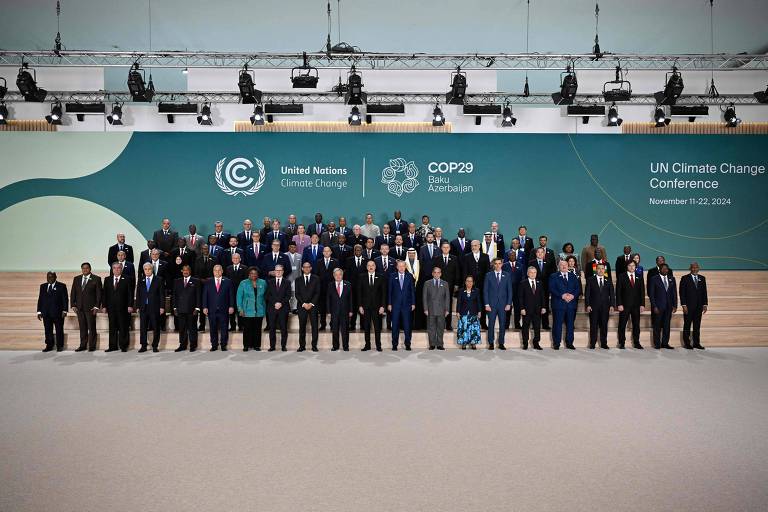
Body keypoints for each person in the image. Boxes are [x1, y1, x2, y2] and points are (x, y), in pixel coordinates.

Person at [549, 260, 581, 350]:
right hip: (558, 304)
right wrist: (562, 295)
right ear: (558, 266)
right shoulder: (553, 276)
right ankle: (556, 343)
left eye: (565, 265)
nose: (564, 266)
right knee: (557, 324)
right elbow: (551, 288)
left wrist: (573, 295)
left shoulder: (573, 276)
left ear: (568, 266)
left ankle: (569, 343)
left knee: (570, 324)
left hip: (571, 304)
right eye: (561, 265)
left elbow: (577, 288)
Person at [202, 265, 235, 351]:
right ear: (213, 272)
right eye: (215, 271)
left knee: (224, 328)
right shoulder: (208, 281)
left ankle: (223, 345)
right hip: (211, 309)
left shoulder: (228, 281)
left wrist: (231, 306)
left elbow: (231, 295)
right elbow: (205, 295)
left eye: (219, 270)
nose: (217, 272)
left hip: (224, 309)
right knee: (212, 328)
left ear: (222, 271)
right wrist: (205, 306)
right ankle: (214, 345)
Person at [70, 262, 102, 352]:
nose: (85, 270)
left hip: (91, 308)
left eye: (87, 268)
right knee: (82, 327)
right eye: (83, 268)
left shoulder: (96, 279)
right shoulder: (76, 279)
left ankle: (92, 346)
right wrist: (73, 304)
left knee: (91, 327)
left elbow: (99, 294)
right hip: (79, 308)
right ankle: (83, 345)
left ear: (90, 268)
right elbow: (73, 292)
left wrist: (96, 306)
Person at [102, 262, 133, 352]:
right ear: (112, 269)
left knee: (123, 327)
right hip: (111, 308)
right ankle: (112, 346)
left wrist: (130, 305)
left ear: (121, 268)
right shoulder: (107, 279)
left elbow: (130, 294)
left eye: (118, 268)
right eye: (114, 268)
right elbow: (104, 294)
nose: (116, 270)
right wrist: (104, 306)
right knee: (112, 327)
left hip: (123, 308)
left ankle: (123, 346)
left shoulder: (127, 279)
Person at [483, 257, 513, 350]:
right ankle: (491, 343)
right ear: (493, 265)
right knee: (491, 324)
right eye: (495, 263)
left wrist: (509, 303)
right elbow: (485, 291)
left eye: (499, 263)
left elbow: (510, 291)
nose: (497, 265)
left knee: (502, 324)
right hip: (491, 305)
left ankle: (501, 343)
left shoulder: (507, 275)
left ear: (502, 264)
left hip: (503, 305)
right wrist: (486, 304)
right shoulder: (488, 275)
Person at [135, 262, 165, 352]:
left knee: (156, 327)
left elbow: (161, 295)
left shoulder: (158, 279)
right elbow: (138, 294)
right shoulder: (141, 279)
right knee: (143, 327)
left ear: (152, 270)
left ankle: (155, 345)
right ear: (143, 270)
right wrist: (137, 306)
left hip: (155, 307)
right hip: (143, 307)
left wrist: (162, 307)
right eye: (145, 269)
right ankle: (143, 345)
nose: (147, 271)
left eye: (149, 269)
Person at [615, 260, 645, 349]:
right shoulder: (621, 276)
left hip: (636, 306)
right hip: (624, 305)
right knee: (622, 325)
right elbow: (618, 291)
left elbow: (642, 292)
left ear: (636, 267)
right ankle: (621, 342)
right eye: (630, 266)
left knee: (636, 325)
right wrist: (619, 304)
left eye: (633, 265)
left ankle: (636, 342)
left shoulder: (639, 277)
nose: (632, 267)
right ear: (627, 267)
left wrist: (642, 304)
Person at [357, 260, 386, 351]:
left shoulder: (381, 277)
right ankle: (367, 345)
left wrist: (382, 306)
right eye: (369, 265)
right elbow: (359, 293)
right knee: (366, 327)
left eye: (372, 265)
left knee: (377, 327)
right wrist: (360, 306)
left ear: (375, 267)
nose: (371, 267)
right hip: (365, 307)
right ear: (366, 267)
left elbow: (383, 293)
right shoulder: (361, 277)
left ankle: (378, 345)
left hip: (377, 307)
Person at [585, 263, 615, 350]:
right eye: (599, 268)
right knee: (593, 326)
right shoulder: (590, 280)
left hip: (605, 307)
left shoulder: (608, 280)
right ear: (596, 270)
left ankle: (604, 343)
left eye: (602, 268)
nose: (601, 270)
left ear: (604, 270)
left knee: (604, 326)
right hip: (593, 307)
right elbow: (587, 294)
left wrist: (612, 305)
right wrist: (588, 305)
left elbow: (612, 294)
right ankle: (592, 343)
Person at [679, 262, 708, 350]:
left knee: (697, 325)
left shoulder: (702, 278)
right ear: (690, 268)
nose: (695, 269)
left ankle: (696, 343)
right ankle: (687, 343)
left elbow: (704, 292)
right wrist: (684, 305)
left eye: (696, 267)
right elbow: (682, 293)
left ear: (698, 268)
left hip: (699, 307)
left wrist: (705, 304)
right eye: (693, 267)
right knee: (687, 325)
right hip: (688, 306)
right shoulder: (685, 278)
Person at [236, 267, 266, 351]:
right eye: (251, 273)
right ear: (249, 274)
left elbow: (266, 296)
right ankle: (246, 345)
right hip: (247, 310)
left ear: (258, 274)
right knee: (247, 329)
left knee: (257, 329)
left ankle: (256, 345)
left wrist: (264, 308)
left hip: (259, 309)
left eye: (255, 273)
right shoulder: (243, 283)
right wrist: (240, 308)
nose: (253, 275)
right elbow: (239, 296)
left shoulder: (263, 282)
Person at [462, 240, 491, 329]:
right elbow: (465, 271)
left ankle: (483, 323)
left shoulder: (485, 256)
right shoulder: (467, 257)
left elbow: (488, 271)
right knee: (471, 303)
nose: (473, 247)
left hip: (483, 285)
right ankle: (471, 323)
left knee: (482, 303)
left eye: (475, 245)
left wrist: (487, 284)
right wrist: (467, 284)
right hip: (471, 285)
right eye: (472, 246)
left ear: (479, 246)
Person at [388, 260, 416, 351]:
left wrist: (413, 303)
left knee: (407, 326)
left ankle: (408, 344)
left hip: (407, 305)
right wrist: (389, 303)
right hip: (395, 305)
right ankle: (394, 344)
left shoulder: (410, 276)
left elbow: (412, 291)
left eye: (403, 266)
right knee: (395, 325)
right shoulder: (392, 276)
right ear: (397, 267)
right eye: (399, 266)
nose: (401, 268)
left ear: (405, 267)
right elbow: (389, 291)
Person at [37, 271, 68, 352]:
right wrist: (39, 311)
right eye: (48, 277)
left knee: (59, 329)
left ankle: (59, 346)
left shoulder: (61, 286)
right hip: (46, 313)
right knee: (47, 330)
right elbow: (40, 299)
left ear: (55, 277)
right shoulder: (43, 286)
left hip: (58, 313)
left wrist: (65, 310)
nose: (50, 278)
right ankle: (49, 345)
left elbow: (65, 299)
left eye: (51, 277)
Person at [173, 264, 201, 352]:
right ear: (182, 271)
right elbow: (175, 296)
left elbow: (198, 296)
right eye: (184, 270)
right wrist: (174, 308)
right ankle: (182, 345)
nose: (185, 271)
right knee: (182, 328)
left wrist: (197, 308)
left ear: (190, 271)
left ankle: (193, 345)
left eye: (187, 270)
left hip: (192, 310)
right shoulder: (177, 281)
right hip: (180, 309)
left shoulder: (196, 281)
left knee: (192, 328)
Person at [649, 263, 677, 349]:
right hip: (658, 307)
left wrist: (675, 305)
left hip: (668, 307)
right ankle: (657, 344)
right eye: (664, 269)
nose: (665, 270)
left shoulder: (672, 279)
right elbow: (652, 294)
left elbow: (674, 293)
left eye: (667, 269)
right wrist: (654, 306)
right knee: (657, 325)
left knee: (666, 325)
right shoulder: (654, 279)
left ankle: (665, 343)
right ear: (659, 270)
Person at [432, 241, 459, 330]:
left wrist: (456, 285)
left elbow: (457, 273)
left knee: (448, 304)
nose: (446, 249)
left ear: (450, 248)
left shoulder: (454, 258)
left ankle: (448, 324)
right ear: (441, 248)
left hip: (450, 286)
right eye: (444, 247)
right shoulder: (436, 258)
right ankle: (438, 324)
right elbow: (434, 272)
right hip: (439, 285)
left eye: (447, 247)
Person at [294, 261, 320, 351]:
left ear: (311, 268)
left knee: (314, 327)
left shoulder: (316, 278)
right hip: (302, 306)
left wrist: (311, 304)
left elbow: (317, 293)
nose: (306, 268)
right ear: (302, 268)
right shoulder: (298, 279)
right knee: (302, 327)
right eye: (304, 267)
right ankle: (302, 346)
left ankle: (314, 346)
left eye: (308, 267)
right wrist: (304, 304)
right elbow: (297, 294)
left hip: (313, 306)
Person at [423, 266, 451, 350]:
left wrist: (447, 309)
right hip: (430, 309)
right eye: (435, 272)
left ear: (441, 274)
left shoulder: (445, 283)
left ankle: (440, 344)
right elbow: (424, 297)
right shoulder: (427, 283)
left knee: (440, 327)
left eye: (438, 272)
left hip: (441, 310)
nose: (436, 274)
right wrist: (425, 309)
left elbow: (447, 298)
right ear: (432, 273)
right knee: (431, 328)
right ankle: (432, 344)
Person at [266, 264, 291, 351]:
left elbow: (288, 296)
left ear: (283, 272)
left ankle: (283, 346)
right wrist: (275, 303)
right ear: (274, 271)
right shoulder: (269, 282)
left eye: (280, 270)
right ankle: (272, 346)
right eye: (277, 270)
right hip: (272, 308)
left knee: (283, 328)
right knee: (272, 328)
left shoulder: (287, 282)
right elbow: (267, 295)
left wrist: (280, 303)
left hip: (283, 308)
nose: (278, 272)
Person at [519, 266, 545, 350]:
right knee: (525, 327)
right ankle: (525, 343)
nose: (533, 274)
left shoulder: (539, 282)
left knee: (537, 327)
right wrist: (522, 308)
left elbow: (542, 296)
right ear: (528, 273)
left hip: (537, 309)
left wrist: (543, 307)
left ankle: (536, 343)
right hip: (526, 310)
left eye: (534, 272)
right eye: (531, 272)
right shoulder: (523, 283)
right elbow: (520, 297)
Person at [313, 246, 339, 331]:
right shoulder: (318, 262)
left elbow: (338, 275)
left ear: (331, 252)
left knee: (333, 307)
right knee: (322, 307)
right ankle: (323, 324)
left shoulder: (335, 261)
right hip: (322, 288)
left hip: (333, 288)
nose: (327, 253)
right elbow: (316, 275)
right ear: (323, 252)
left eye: (328, 251)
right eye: (325, 251)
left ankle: (333, 324)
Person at [327, 268, 353, 351]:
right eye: (336, 275)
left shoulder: (348, 284)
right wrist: (328, 311)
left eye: (340, 274)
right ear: (334, 276)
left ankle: (346, 346)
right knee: (335, 329)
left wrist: (351, 310)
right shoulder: (330, 285)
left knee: (345, 329)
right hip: (334, 311)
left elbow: (351, 299)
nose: (338, 276)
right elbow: (328, 299)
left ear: (342, 275)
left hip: (345, 311)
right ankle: (335, 346)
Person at [345, 245, 368, 330]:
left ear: (362, 251)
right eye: (356, 250)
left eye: (359, 250)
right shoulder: (348, 260)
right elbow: (347, 275)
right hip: (352, 288)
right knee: (353, 306)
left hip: (364, 288)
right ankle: (352, 324)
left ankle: (363, 325)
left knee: (363, 305)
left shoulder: (366, 260)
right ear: (354, 251)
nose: (358, 252)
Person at [531, 247, 555, 330]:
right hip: (534, 287)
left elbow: (552, 276)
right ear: (536, 254)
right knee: (535, 306)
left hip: (545, 287)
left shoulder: (548, 262)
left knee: (545, 306)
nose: (540, 254)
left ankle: (545, 324)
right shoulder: (531, 262)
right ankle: (535, 324)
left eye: (542, 252)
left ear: (544, 254)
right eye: (538, 252)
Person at [503, 244, 526, 330]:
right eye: (511, 255)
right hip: (507, 291)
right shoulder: (504, 266)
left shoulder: (521, 265)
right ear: (508, 256)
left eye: (514, 255)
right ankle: (506, 324)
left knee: (517, 308)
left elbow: (523, 277)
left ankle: (517, 324)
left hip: (518, 290)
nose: (512, 256)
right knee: (507, 308)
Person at [646, 255, 674, 327]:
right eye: (659, 261)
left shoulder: (669, 271)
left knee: (666, 323)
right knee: (656, 322)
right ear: (656, 262)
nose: (661, 262)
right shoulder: (651, 271)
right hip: (656, 301)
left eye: (662, 261)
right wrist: (653, 300)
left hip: (667, 302)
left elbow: (672, 288)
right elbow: (649, 286)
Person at [194, 244, 216, 332]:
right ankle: (202, 325)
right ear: (201, 250)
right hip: (201, 285)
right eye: (203, 248)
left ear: (209, 249)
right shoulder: (197, 259)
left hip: (212, 285)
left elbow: (217, 271)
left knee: (212, 304)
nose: (205, 250)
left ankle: (214, 325)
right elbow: (195, 273)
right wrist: (200, 280)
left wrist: (210, 279)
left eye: (206, 248)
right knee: (203, 304)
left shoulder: (214, 258)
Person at [456, 275, 482, 349]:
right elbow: (459, 302)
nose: (469, 283)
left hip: (473, 312)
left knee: (473, 328)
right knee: (464, 328)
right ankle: (463, 343)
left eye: (471, 281)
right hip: (463, 312)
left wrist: (479, 311)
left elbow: (479, 302)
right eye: (468, 281)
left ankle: (473, 343)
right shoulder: (461, 291)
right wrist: (457, 311)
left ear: (473, 282)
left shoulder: (476, 290)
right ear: (465, 282)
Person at [225, 253, 248, 331]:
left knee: (240, 309)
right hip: (231, 292)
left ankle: (241, 326)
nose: (235, 260)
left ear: (240, 259)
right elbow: (227, 281)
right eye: (234, 258)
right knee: (231, 309)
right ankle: (233, 326)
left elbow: (246, 281)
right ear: (232, 259)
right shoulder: (228, 268)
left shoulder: (245, 268)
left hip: (241, 292)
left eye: (237, 258)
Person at [285, 242, 302, 313]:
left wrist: (300, 278)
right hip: (287, 278)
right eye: (291, 247)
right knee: (287, 294)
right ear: (289, 247)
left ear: (296, 248)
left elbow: (301, 268)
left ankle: (294, 308)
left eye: (294, 247)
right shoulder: (285, 255)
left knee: (295, 294)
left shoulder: (299, 256)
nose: (292, 248)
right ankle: (288, 308)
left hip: (296, 278)